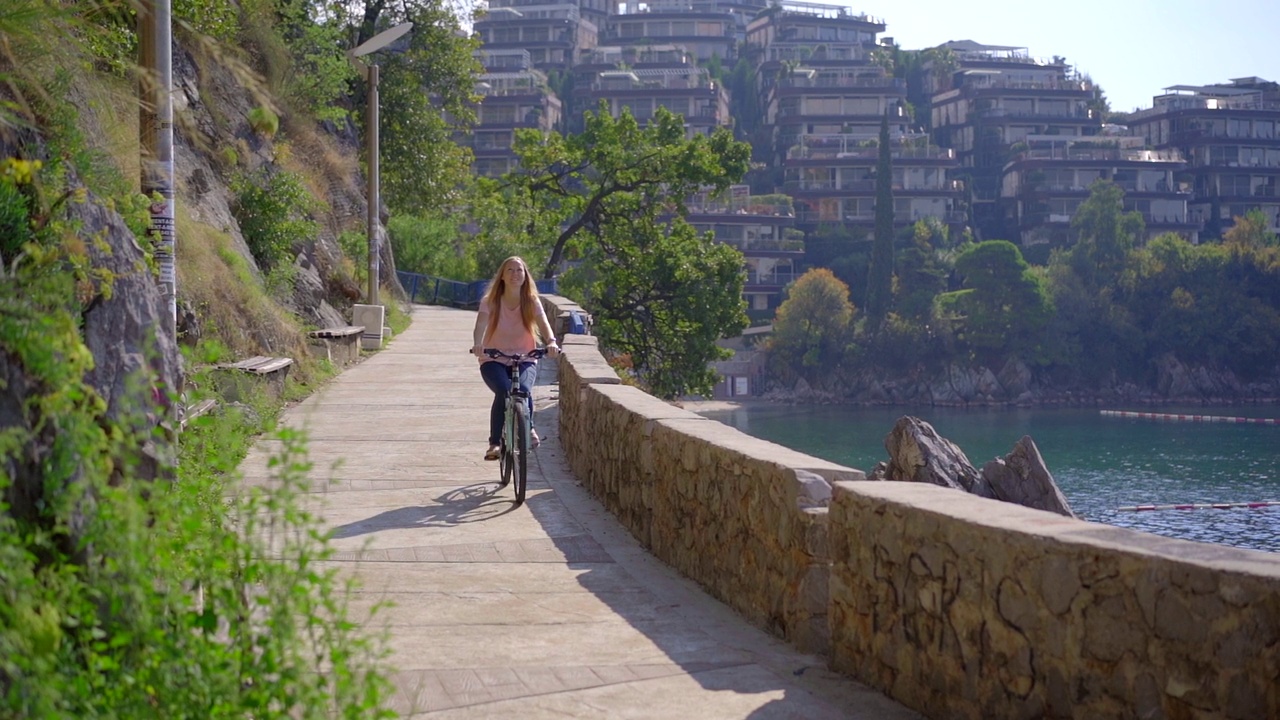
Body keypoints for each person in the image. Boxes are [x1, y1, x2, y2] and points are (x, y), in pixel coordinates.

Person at [472, 256, 560, 461]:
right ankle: (494, 443)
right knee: (503, 391)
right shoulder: (490, 301)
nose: (515, 274)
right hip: (493, 358)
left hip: (525, 357)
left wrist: (551, 342)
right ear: (502, 276)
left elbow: (544, 323)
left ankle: (528, 429)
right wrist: (478, 344)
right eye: (510, 270)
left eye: (519, 270)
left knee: (524, 390)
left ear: (525, 275)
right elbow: (480, 326)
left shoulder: (531, 301)